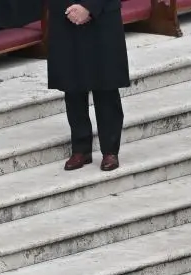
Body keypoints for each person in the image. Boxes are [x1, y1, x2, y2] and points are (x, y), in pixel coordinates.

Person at [48, 0, 130, 172]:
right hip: (66, 13)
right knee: (72, 83)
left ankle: (110, 150)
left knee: (105, 83)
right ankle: (80, 149)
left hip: (102, 13)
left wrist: (89, 7)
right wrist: (71, 8)